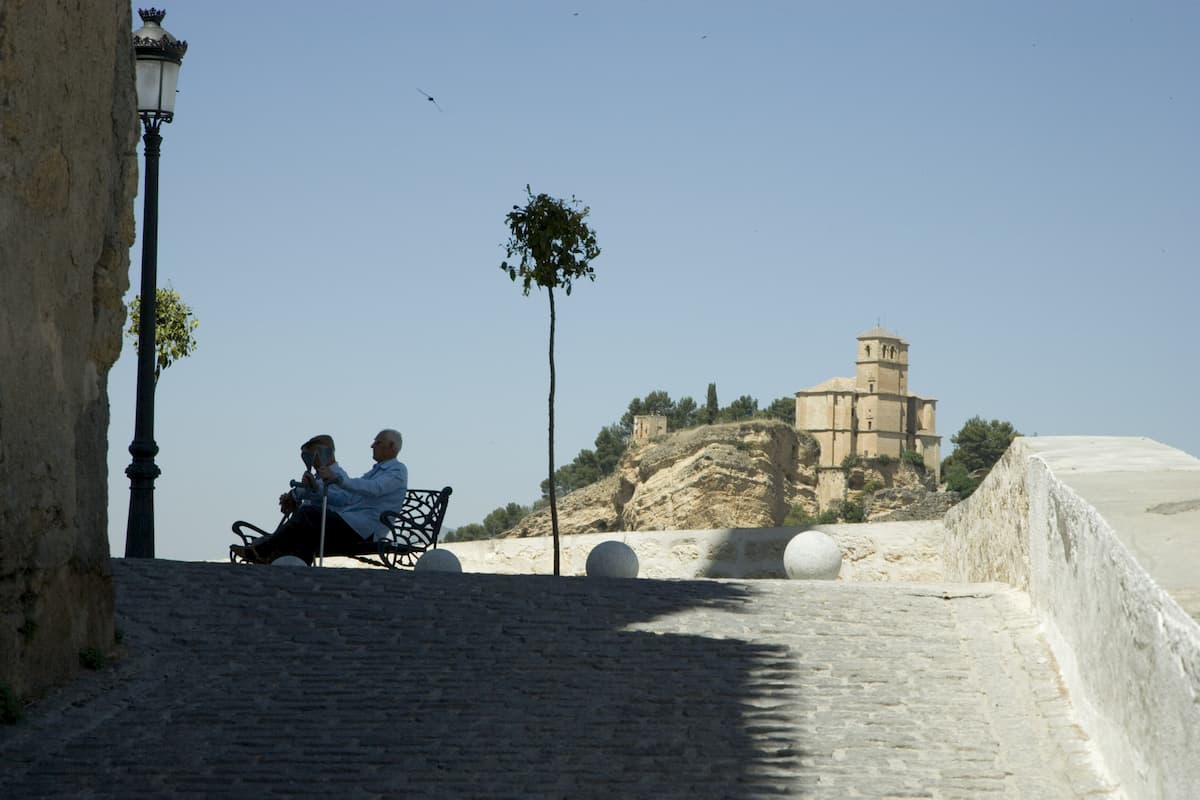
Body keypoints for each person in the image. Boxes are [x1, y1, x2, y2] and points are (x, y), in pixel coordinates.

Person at [234, 429, 408, 565]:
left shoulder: (397, 471)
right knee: (307, 531)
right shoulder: (375, 472)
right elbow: (346, 499)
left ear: (392, 446)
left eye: (378, 442)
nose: (372, 446)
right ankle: (292, 570)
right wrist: (316, 489)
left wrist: (338, 480)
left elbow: (374, 489)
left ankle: (263, 551)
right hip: (353, 523)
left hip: (365, 529)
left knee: (309, 514)